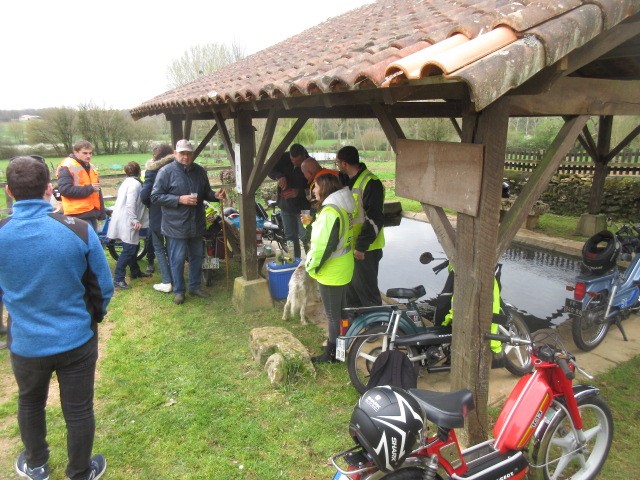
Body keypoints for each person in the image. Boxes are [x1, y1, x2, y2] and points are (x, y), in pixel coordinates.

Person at [0, 156, 114, 480]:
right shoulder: (78, 230)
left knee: (30, 402)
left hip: (26, 343)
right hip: (76, 338)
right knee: (78, 409)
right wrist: (95, 318)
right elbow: (103, 287)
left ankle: (37, 465)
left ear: (9, 191)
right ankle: (79, 472)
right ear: (50, 189)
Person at [151, 139, 225, 305]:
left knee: (197, 257)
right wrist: (179, 199)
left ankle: (195, 286)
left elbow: (206, 192)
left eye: (189, 153)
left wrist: (215, 196)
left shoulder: (199, 171)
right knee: (177, 259)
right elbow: (155, 196)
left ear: (192, 154)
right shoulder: (165, 171)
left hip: (196, 223)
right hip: (175, 225)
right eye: (182, 153)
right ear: (176, 154)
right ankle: (179, 291)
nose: (185, 156)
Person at [304, 174, 355, 363]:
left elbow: (323, 247)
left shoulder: (330, 213)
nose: (314, 190)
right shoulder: (343, 209)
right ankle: (341, 348)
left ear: (324, 188)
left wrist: (311, 266)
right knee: (342, 313)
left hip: (331, 272)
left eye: (315, 187)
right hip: (345, 266)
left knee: (333, 316)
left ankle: (332, 354)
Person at [336, 146, 385, 307]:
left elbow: (374, 219)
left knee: (367, 292)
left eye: (337, 163)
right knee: (351, 290)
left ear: (344, 163)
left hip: (366, 249)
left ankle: (376, 328)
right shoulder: (348, 181)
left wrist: (361, 246)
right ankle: (356, 326)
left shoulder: (371, 183)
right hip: (352, 246)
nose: (336, 166)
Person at [107, 161, 150, 289]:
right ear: (138, 171)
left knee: (134, 247)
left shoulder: (127, 182)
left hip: (124, 218)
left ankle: (135, 271)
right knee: (129, 249)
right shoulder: (135, 184)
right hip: (128, 220)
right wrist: (134, 220)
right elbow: (131, 203)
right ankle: (118, 279)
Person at [140, 144, 175, 293]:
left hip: (157, 214)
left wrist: (151, 204)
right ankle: (176, 279)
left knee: (159, 248)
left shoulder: (152, 171)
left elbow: (144, 196)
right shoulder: (177, 167)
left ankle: (167, 281)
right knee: (173, 247)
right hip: (175, 213)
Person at [268, 144, 311, 259]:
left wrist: (299, 192)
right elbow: (268, 169)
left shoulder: (310, 164)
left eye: (298, 161)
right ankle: (294, 262)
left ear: (304, 155)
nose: (294, 163)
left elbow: (315, 188)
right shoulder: (283, 158)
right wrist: (279, 176)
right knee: (290, 237)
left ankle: (311, 263)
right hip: (285, 208)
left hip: (305, 210)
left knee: (306, 236)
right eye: (292, 160)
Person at [56, 140, 104, 231]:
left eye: (90, 153)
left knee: (93, 242)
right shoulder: (67, 166)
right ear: (76, 152)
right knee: (87, 243)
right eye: (85, 153)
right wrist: (90, 188)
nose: (88, 156)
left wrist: (101, 212)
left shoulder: (91, 167)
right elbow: (64, 190)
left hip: (91, 212)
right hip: (77, 214)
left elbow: (97, 191)